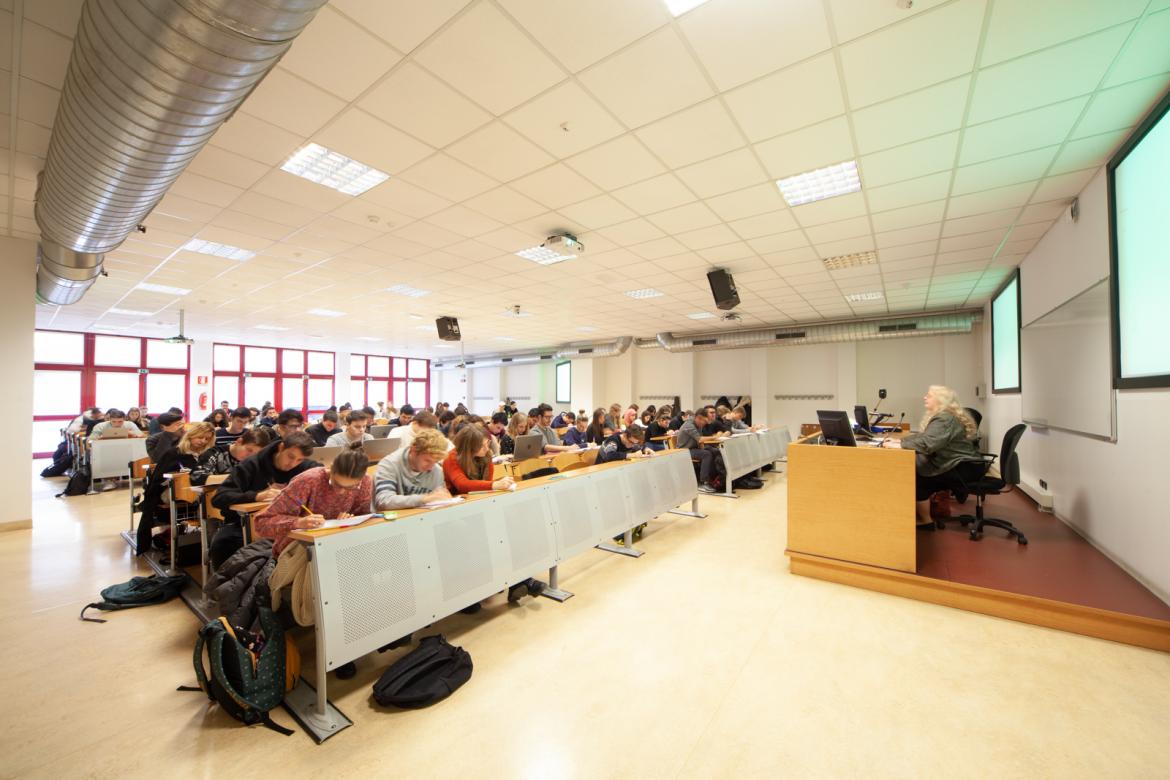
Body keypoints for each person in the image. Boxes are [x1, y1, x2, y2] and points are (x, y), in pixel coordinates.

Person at [209, 432, 317, 569]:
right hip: (242, 523)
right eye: (290, 456)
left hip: (290, 524)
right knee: (223, 544)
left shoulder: (306, 467)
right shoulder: (252, 464)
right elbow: (219, 498)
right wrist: (256, 496)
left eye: (300, 460)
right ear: (281, 447)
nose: (292, 464)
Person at [881, 385, 981, 528]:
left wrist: (901, 445)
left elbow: (928, 443)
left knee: (916, 477)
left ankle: (925, 521)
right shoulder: (947, 415)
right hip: (966, 464)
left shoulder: (945, 419)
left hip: (961, 467)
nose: (925, 397)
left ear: (941, 400)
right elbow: (925, 437)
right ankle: (920, 516)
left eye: (929, 395)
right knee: (916, 468)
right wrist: (901, 441)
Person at [255, 442, 373, 559]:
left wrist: (350, 520)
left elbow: (365, 517)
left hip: (339, 547)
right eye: (336, 484)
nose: (341, 492)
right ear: (330, 468)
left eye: (350, 488)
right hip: (298, 552)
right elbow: (261, 523)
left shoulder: (365, 482)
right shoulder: (308, 481)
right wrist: (298, 522)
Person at [136, 422, 217, 554]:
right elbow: (159, 479)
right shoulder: (174, 453)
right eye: (200, 437)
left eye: (207, 439)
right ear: (191, 436)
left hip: (195, 490)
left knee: (211, 496)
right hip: (167, 490)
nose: (203, 441)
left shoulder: (208, 454)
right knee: (207, 499)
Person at [372, 429, 451, 511]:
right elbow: (384, 501)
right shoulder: (389, 464)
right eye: (427, 461)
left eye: (436, 462)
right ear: (413, 450)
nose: (431, 467)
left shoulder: (437, 470)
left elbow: (442, 499)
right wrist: (423, 499)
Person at [442, 426, 514, 494]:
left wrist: (495, 484)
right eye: (481, 446)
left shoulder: (486, 454)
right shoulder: (451, 458)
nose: (487, 448)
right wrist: (494, 484)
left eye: (487, 443)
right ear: (469, 447)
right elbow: (462, 484)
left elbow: (487, 482)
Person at [191, 427, 270, 486]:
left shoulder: (257, 460)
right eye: (249, 450)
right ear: (239, 442)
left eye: (255, 454)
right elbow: (196, 477)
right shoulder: (214, 453)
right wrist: (237, 478)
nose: (250, 456)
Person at [677, 408, 721, 494]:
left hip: (693, 448)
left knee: (714, 450)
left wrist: (704, 448)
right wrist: (714, 437)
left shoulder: (698, 425)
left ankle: (713, 479)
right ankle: (703, 483)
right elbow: (700, 439)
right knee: (707, 454)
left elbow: (700, 442)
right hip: (683, 451)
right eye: (704, 421)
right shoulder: (689, 425)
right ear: (699, 418)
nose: (705, 423)